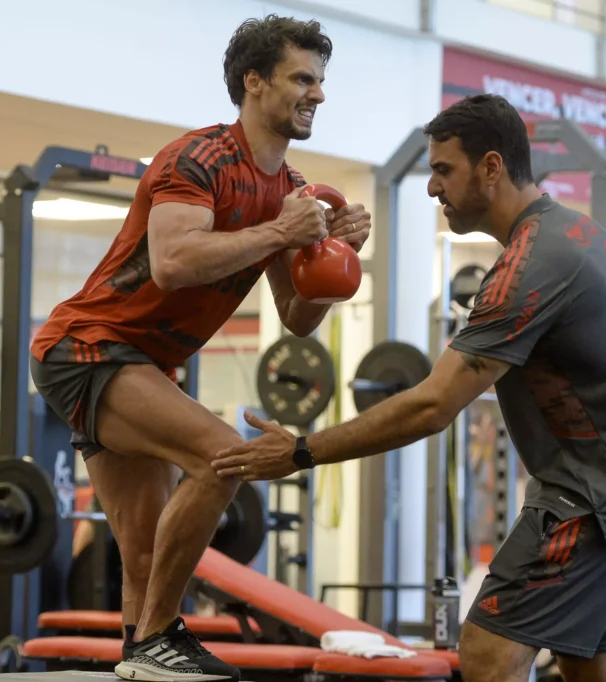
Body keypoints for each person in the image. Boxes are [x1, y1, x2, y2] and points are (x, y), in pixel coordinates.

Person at [211, 94, 606, 682]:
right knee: (592, 666)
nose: (434, 189)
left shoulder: (529, 265)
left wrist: (301, 451)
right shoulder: (580, 234)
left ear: (491, 166)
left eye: (443, 171)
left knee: (488, 653)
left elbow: (434, 405)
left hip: (586, 503)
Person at [29, 14, 372, 682]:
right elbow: (173, 261)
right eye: (303, 78)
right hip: (86, 347)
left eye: (321, 81)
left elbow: (297, 320)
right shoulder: (199, 159)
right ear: (253, 82)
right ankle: (161, 634)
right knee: (227, 457)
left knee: (141, 554)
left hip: (143, 364)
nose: (319, 94)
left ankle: (143, 652)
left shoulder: (289, 191)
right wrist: (280, 231)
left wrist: (337, 263)